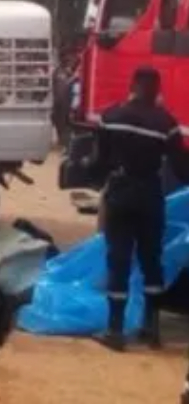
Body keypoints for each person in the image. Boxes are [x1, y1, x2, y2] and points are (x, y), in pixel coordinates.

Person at [94, 66, 189, 351]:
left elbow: (99, 161)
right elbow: (181, 169)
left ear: (132, 85)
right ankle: (152, 329)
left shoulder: (111, 117)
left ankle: (115, 330)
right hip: (150, 195)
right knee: (152, 261)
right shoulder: (166, 123)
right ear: (157, 90)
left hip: (120, 193)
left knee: (119, 260)